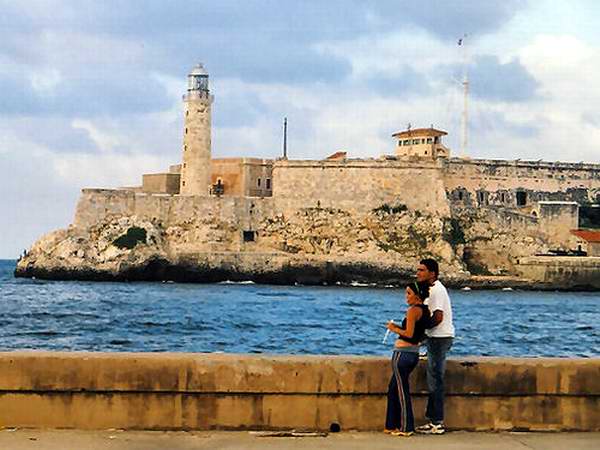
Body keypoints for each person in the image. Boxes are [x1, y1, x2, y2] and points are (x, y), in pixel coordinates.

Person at [384, 281, 431, 437]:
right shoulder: (425, 311)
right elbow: (417, 333)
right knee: (393, 389)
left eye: (409, 293)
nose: (406, 297)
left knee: (401, 390)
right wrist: (398, 326)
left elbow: (409, 334)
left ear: (417, 296)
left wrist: (393, 329)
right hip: (413, 353)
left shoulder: (412, 311)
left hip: (403, 353)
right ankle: (391, 425)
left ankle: (406, 427)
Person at [416, 258, 455, 435]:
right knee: (433, 379)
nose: (418, 273)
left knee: (435, 381)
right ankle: (432, 420)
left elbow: (438, 317)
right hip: (435, 338)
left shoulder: (437, 290)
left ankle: (437, 422)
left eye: (422, 270)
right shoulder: (431, 290)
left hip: (439, 339)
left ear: (432, 273)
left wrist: (421, 331)